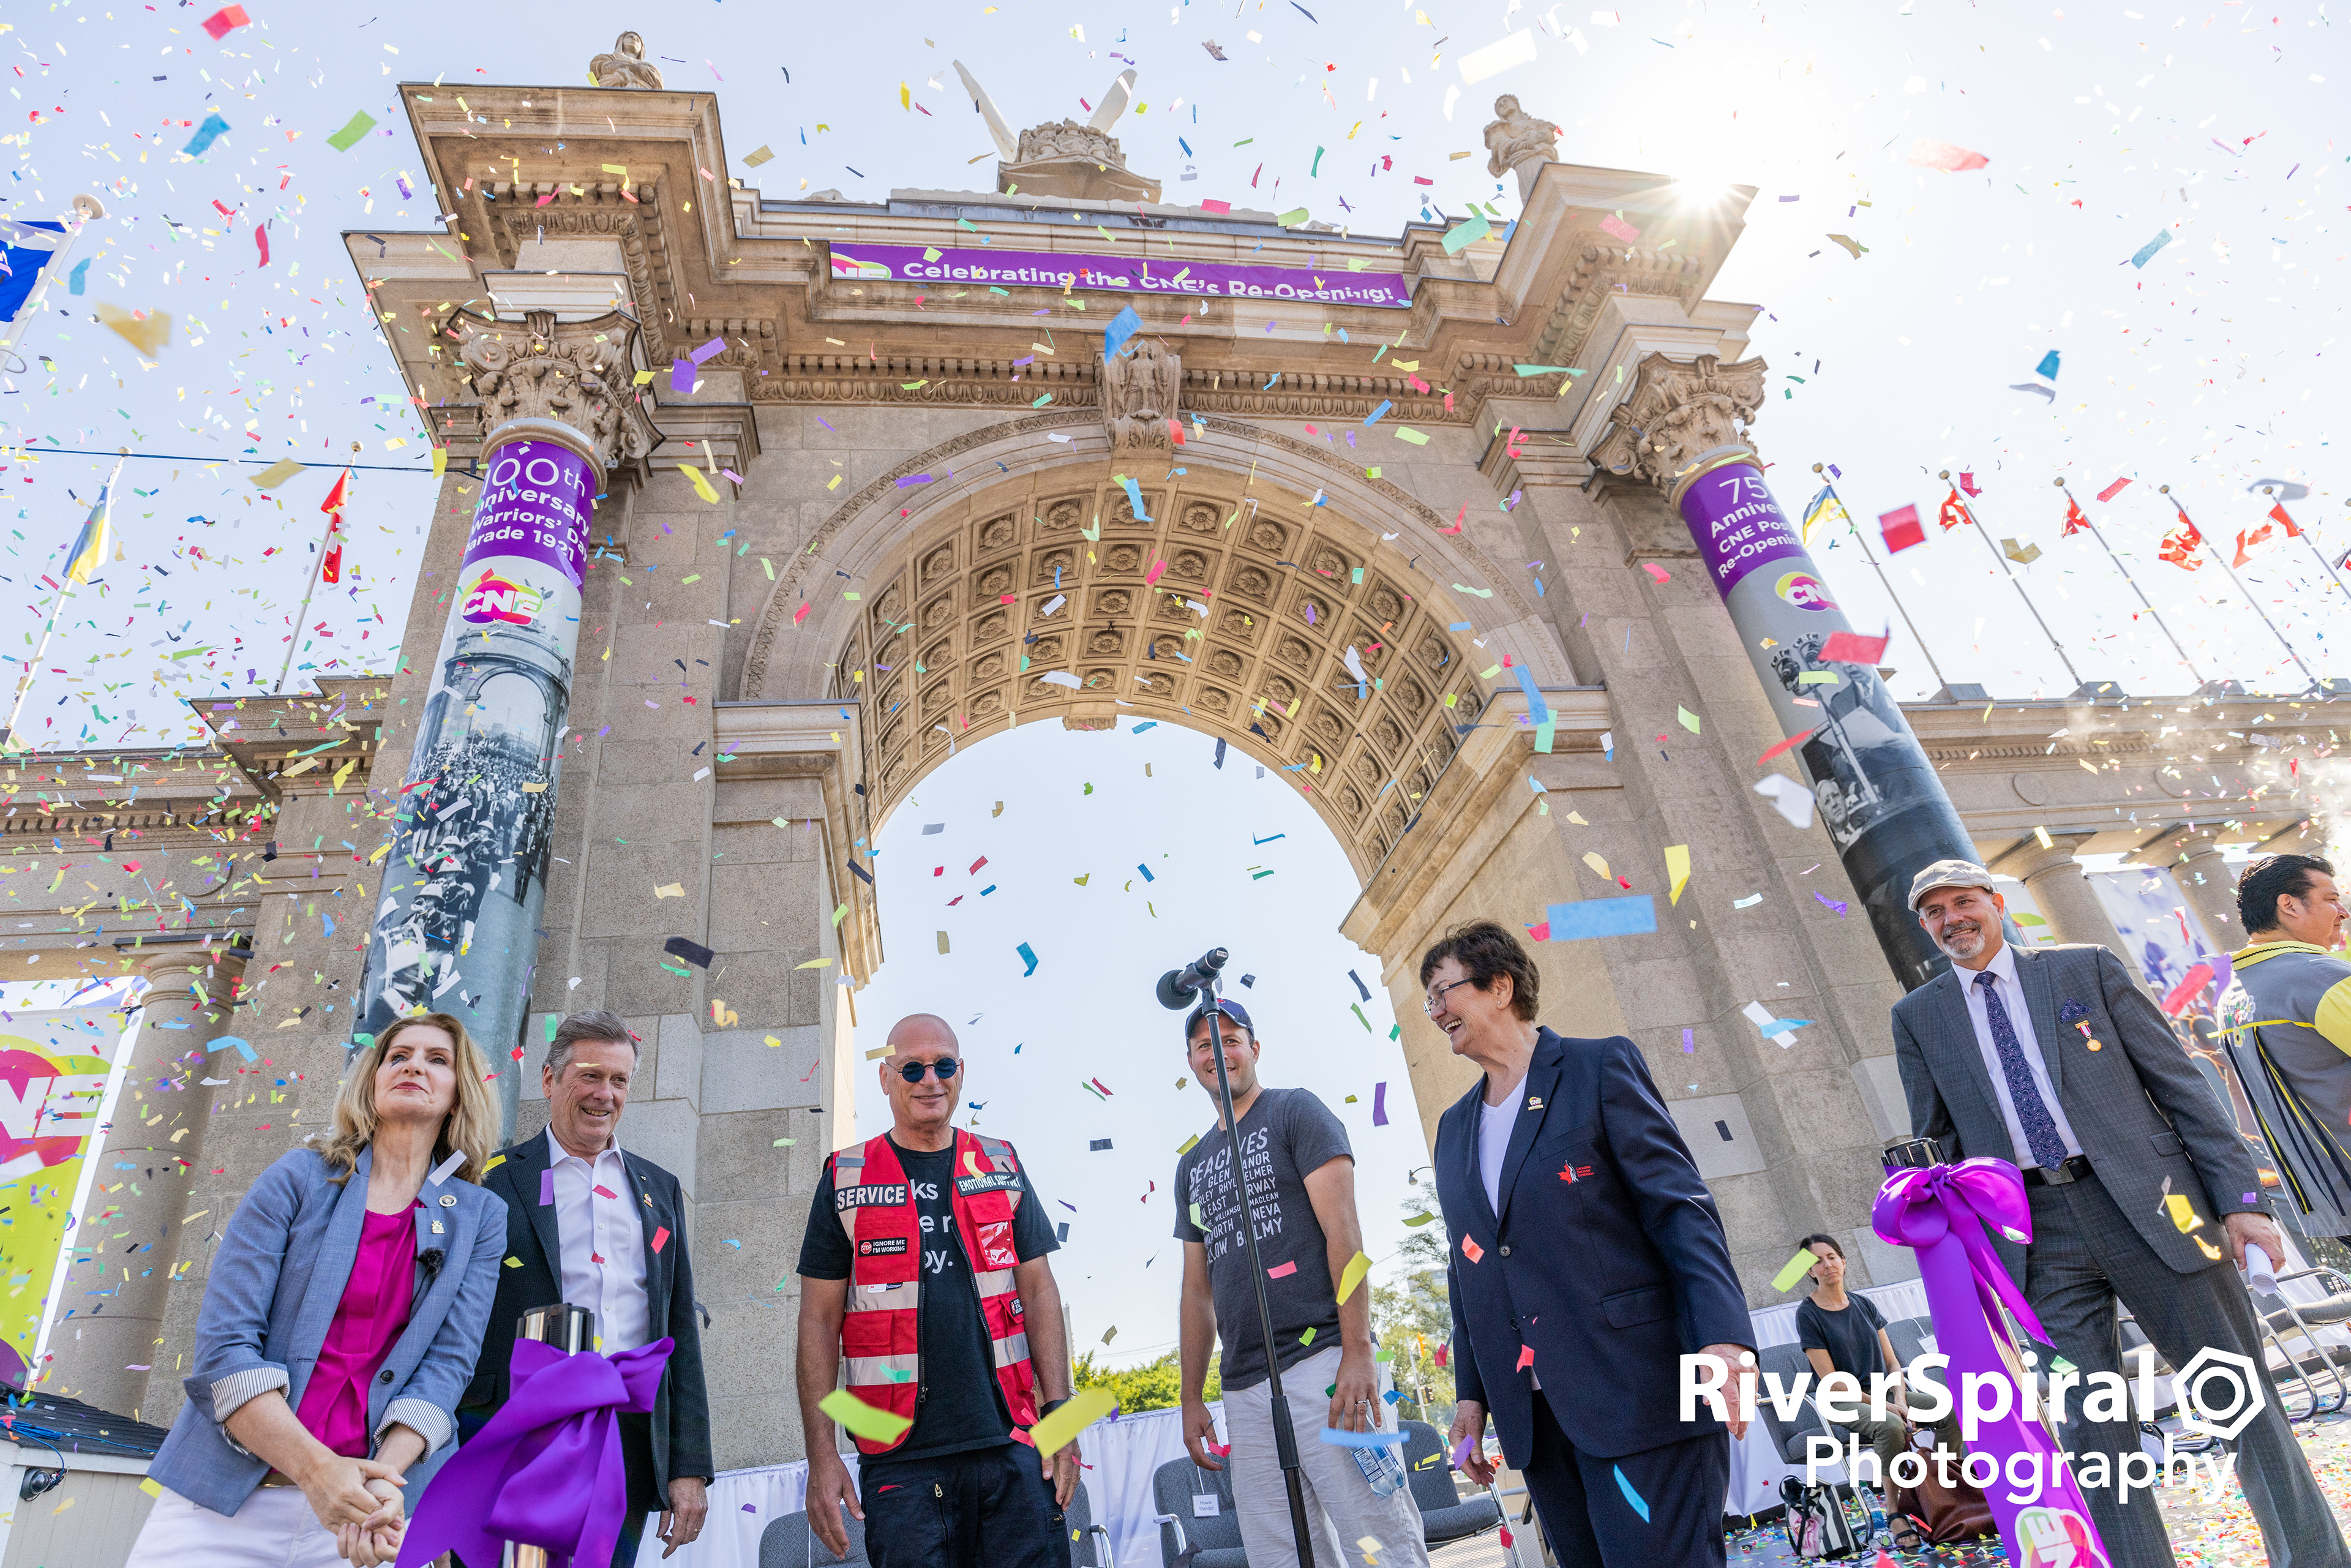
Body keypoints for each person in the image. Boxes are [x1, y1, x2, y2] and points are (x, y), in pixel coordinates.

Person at [1891, 860, 2351, 1567]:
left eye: (1963, 900)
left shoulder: (2085, 968)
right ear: (1924, 926)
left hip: (2159, 1210)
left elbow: (2182, 1086)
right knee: (2090, 1427)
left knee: (2239, 1396)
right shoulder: (1917, 1016)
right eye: (1934, 911)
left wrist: (2240, 1202)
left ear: (1995, 901)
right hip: (2035, 1240)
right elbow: (1938, 1138)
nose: (1952, 917)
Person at [1424, 921, 1754, 1568]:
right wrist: (1473, 1396)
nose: (1435, 1012)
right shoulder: (1454, 1127)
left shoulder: (1599, 1065)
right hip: (1540, 1425)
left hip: (1642, 1393)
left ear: (1498, 985)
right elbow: (1468, 1266)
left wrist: (1724, 1335)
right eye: (1429, 1001)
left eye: (1443, 992)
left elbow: (1679, 1210)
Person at [130, 1014, 506, 1568]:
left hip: (370, 1517)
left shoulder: (480, 1217)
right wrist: (317, 1472)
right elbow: (226, 1348)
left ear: (458, 1094)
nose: (413, 1066)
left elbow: (448, 1366)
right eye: (398, 1055)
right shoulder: (296, 1178)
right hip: (224, 1505)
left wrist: (385, 1485)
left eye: (437, 1059)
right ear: (372, 1080)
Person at [794, 1015, 1079, 1567]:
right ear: (885, 1077)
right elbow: (818, 1323)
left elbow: (1040, 1292)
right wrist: (822, 1454)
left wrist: (1062, 1421)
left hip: (1015, 1444)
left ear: (961, 1072)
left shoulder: (1001, 1162)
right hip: (899, 1461)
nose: (931, 1079)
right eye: (913, 1068)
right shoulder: (844, 1175)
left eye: (944, 1065)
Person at [1172, 999, 1431, 1568]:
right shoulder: (1191, 1167)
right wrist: (1192, 1395)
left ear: (1255, 1049)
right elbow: (1198, 1290)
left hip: (1327, 1363)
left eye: (1232, 1038)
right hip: (1244, 1386)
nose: (1219, 1050)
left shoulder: (1296, 1112)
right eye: (1203, 1044)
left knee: (1380, 1541)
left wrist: (1359, 1352)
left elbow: (1347, 1235)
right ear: (1191, 1062)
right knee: (1281, 1556)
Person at [463, 1011, 711, 1564]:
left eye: (619, 1080)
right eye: (591, 1075)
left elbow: (677, 1331)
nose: (605, 1094)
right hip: (509, 1433)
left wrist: (688, 1464)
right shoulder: (492, 1179)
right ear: (550, 1081)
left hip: (624, 1441)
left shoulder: (659, 1188)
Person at [1792, 1235, 1962, 1550]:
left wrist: (1898, 1399)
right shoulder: (1808, 1314)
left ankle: (1941, 1488)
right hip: (1842, 1399)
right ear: (1810, 1272)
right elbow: (1834, 1382)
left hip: (1884, 1392)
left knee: (1948, 1409)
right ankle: (1894, 1512)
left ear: (1844, 1261)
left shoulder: (1863, 1304)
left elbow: (1892, 1361)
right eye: (1817, 1261)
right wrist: (1889, 1408)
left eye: (1832, 1257)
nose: (1827, 1265)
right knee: (1890, 1424)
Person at [2221, 852, 2351, 1239]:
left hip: (2325, 1202)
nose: (2342, 911)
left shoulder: (2231, 997)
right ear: (2289, 905)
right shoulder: (2320, 976)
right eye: (2330, 899)